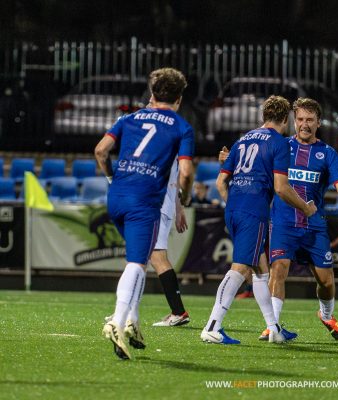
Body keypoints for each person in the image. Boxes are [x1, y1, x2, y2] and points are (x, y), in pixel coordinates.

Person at [95, 68, 195, 359]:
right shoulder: (181, 126)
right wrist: (184, 199)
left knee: (140, 259)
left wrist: (113, 179)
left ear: (152, 94)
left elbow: (101, 151)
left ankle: (133, 322)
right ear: (178, 99)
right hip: (145, 201)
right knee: (138, 263)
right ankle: (118, 319)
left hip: (116, 197)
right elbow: (186, 172)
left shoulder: (128, 118)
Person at [200, 95, 317, 345]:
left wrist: (233, 203)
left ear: (263, 116)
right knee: (240, 269)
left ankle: (274, 328)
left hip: (233, 209)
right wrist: (305, 208)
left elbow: (221, 182)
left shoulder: (243, 139)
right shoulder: (279, 143)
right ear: (285, 119)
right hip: (253, 212)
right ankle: (212, 326)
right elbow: (282, 188)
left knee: (261, 271)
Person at [256, 97, 338, 341]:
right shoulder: (280, 146)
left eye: (310, 120)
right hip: (283, 223)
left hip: (314, 226)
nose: (305, 124)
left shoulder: (327, 153)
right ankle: (272, 325)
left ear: (318, 123)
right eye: (301, 119)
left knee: (325, 281)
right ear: (294, 121)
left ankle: (326, 315)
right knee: (279, 269)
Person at [150, 158, 191, 327]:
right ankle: (124, 310)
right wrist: (179, 208)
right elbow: (175, 182)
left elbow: (183, 176)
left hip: (156, 207)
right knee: (140, 257)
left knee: (157, 257)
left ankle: (178, 311)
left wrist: (179, 207)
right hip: (162, 206)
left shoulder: (161, 140)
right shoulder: (171, 142)